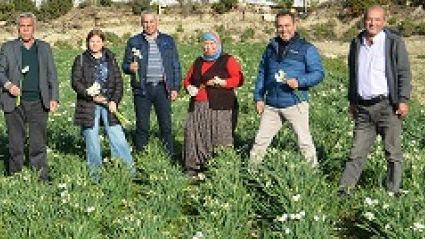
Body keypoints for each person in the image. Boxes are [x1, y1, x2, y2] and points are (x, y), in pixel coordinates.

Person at [338, 5, 412, 195]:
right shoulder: (357, 43)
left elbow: (403, 72)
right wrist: (352, 100)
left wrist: (402, 100)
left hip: (387, 106)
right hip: (363, 108)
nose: (373, 23)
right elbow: (353, 74)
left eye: (377, 19)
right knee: (356, 153)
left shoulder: (393, 42)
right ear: (364, 21)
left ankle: (393, 192)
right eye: (370, 19)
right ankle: (344, 191)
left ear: (384, 22)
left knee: (392, 153)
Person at [250, 11, 324, 166]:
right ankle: (251, 172)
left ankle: (312, 174)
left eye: (287, 26)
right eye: (280, 26)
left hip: (295, 103)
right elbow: (262, 73)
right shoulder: (270, 48)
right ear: (276, 28)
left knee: (304, 142)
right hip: (272, 104)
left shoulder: (306, 48)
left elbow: (318, 73)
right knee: (260, 141)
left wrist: (300, 81)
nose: (284, 30)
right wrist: (258, 97)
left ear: (295, 26)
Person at [0, 12, 59, 181]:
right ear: (18, 28)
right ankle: (15, 176)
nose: (25, 30)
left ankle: (41, 177)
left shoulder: (44, 48)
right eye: (22, 26)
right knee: (15, 143)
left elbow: (52, 75)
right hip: (14, 103)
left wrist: (54, 98)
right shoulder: (8, 48)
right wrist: (9, 86)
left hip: (39, 102)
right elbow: (0, 73)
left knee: (38, 143)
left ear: (34, 28)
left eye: (28, 26)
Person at [71, 29, 135, 176]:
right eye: (92, 41)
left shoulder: (110, 59)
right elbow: (75, 82)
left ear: (103, 42)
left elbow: (118, 83)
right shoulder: (80, 59)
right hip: (89, 105)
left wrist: (114, 101)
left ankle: (128, 171)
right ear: (87, 43)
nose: (95, 44)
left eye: (98, 41)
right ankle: (95, 174)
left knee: (117, 135)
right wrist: (90, 95)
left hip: (108, 102)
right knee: (92, 139)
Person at [122, 10, 181, 161]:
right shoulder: (134, 42)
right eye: (145, 22)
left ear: (157, 22)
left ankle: (168, 158)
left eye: (151, 21)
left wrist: (175, 88)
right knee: (142, 126)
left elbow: (175, 65)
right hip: (142, 89)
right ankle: (141, 158)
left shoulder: (168, 41)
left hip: (163, 88)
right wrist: (130, 68)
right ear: (142, 24)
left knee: (166, 125)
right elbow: (124, 65)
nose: (148, 25)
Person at [182, 31, 243, 175]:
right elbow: (187, 79)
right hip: (198, 106)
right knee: (195, 135)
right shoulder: (198, 61)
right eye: (206, 43)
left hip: (220, 105)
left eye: (212, 43)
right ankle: (193, 167)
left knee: (219, 136)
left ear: (218, 45)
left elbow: (239, 79)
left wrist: (223, 82)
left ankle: (221, 168)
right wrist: (188, 87)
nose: (208, 47)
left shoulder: (227, 60)